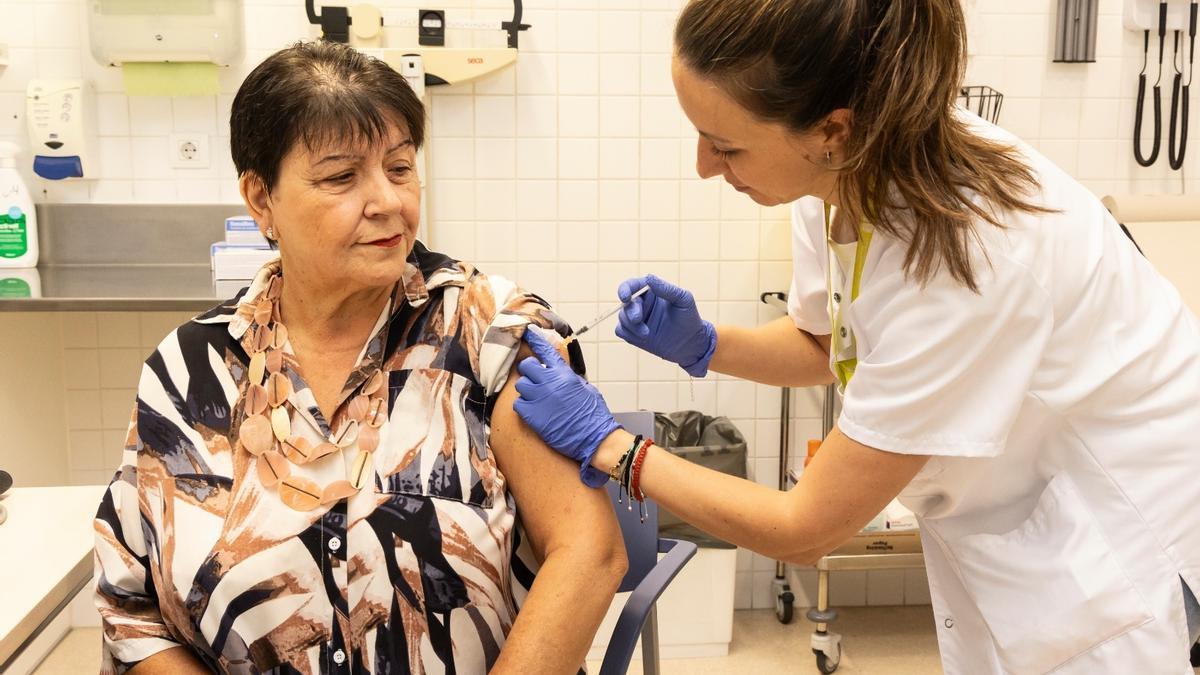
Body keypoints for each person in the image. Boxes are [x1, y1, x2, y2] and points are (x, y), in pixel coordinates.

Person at [512, 1, 1200, 672]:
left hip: (1124, 542)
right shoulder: (840, 178)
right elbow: (829, 346)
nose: (704, 166)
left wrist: (612, 445)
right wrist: (705, 343)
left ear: (832, 131)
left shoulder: (970, 258)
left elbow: (805, 528)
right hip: (1031, 528)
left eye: (725, 146)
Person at [92, 41, 626, 675]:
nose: (387, 201)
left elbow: (587, 551)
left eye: (400, 168)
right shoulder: (189, 371)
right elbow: (133, 611)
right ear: (262, 199)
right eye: (341, 177)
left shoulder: (491, 336)